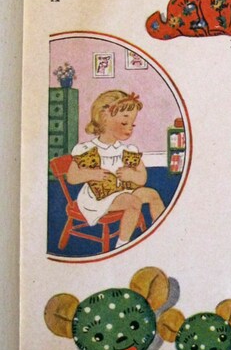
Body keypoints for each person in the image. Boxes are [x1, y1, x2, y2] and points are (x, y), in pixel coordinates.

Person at [67, 90, 164, 248]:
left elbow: (142, 178)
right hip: (98, 198)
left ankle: (159, 234)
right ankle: (122, 245)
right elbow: (71, 177)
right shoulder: (87, 149)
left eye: (132, 124)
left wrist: (131, 175)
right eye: (124, 123)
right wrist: (92, 174)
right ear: (105, 118)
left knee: (153, 195)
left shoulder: (127, 150)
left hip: (124, 190)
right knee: (133, 202)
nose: (129, 128)